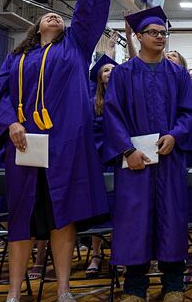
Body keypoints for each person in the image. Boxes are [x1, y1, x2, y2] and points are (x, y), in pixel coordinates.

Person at [0, 0, 110, 302]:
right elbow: (1, 96)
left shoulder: (74, 47)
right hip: (23, 145)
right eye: (48, 15)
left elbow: (88, 11)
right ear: (37, 27)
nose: (55, 16)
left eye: (59, 15)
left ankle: (63, 290)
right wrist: (10, 123)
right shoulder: (16, 58)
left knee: (63, 216)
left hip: (65, 145)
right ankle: (12, 293)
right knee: (21, 217)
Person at [103, 5, 192, 302]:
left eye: (163, 33)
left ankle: (173, 284)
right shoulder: (123, 74)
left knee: (172, 217)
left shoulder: (178, 74)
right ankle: (134, 286)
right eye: (154, 33)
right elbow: (112, 114)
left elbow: (189, 112)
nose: (160, 37)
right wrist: (128, 150)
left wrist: (176, 134)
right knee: (134, 220)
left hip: (170, 159)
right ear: (140, 36)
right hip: (135, 162)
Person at [85, 54, 117, 278]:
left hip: (119, 161)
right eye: (105, 70)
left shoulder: (126, 99)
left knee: (120, 209)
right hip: (97, 162)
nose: (110, 72)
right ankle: (96, 254)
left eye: (113, 69)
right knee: (99, 209)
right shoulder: (91, 102)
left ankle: (119, 252)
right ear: (99, 76)